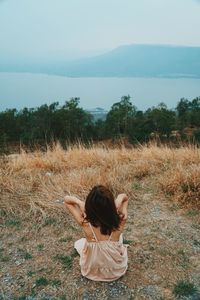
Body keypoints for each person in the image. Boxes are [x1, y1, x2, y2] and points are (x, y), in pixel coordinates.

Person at [64, 185, 129, 282]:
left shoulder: (85, 223)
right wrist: (118, 200)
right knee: (118, 239)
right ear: (112, 205)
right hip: (116, 271)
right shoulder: (120, 221)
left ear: (89, 206)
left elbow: (66, 200)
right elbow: (125, 197)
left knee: (81, 243)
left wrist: (80, 203)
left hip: (91, 272)